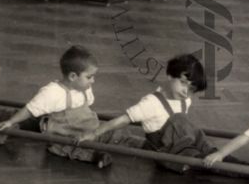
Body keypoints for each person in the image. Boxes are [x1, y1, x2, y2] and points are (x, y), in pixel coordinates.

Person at [80, 53, 216, 173]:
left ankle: (217, 154)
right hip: (167, 153)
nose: (186, 92)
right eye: (183, 83)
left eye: (191, 89)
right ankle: (208, 158)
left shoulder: (186, 100)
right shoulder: (151, 103)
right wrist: (94, 133)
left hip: (185, 147)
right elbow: (123, 120)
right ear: (169, 76)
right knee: (179, 119)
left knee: (196, 134)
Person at [0, 46, 116, 167]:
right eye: (89, 77)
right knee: (70, 148)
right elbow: (30, 109)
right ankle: (97, 157)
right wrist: (10, 122)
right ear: (73, 76)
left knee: (113, 132)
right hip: (66, 134)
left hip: (88, 128)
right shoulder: (53, 92)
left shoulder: (85, 88)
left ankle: (129, 143)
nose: (93, 81)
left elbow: (85, 109)